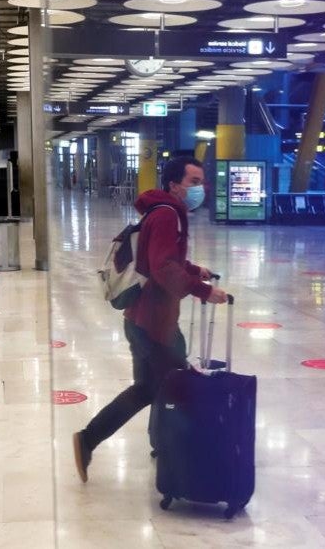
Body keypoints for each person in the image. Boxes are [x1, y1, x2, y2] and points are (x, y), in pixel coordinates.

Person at [73, 157, 227, 482]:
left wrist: (192, 269)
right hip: (157, 324)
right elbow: (161, 268)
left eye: (202, 180)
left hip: (140, 319)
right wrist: (203, 290)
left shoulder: (160, 211)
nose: (201, 188)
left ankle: (90, 439)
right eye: (194, 181)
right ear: (174, 185)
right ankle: (178, 453)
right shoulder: (169, 215)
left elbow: (163, 259)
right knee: (180, 386)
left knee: (146, 389)